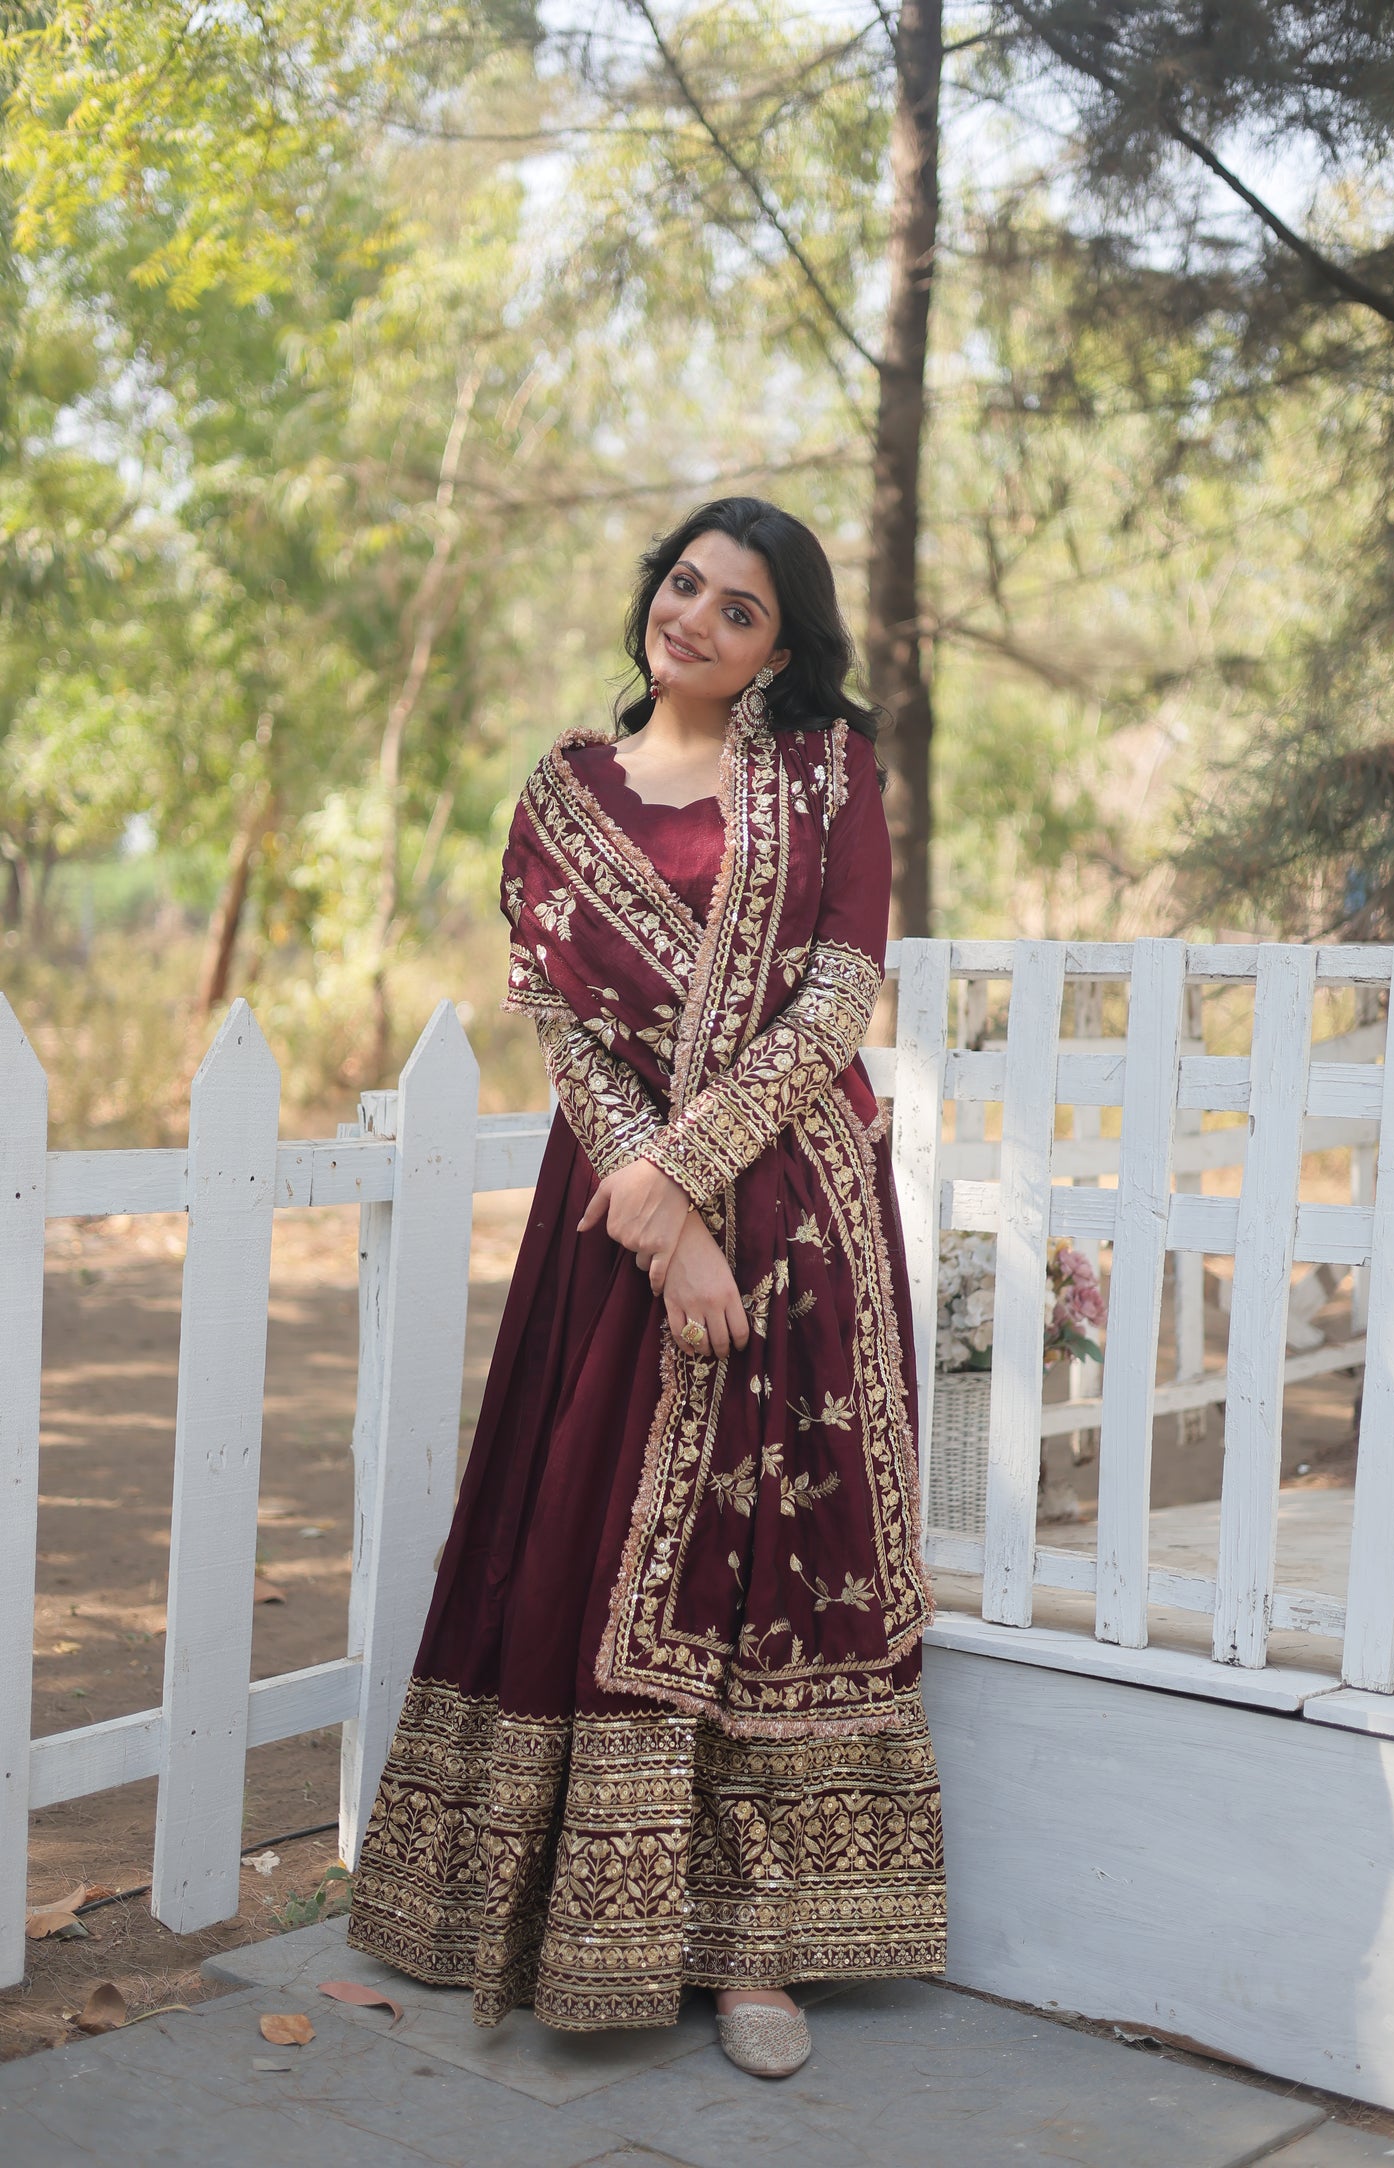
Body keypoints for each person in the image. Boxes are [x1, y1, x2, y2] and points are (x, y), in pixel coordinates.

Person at [346, 496, 948, 2079]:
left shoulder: (826, 776)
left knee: (773, 1556)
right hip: (615, 1225)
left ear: (779, 649)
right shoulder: (565, 788)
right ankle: (558, 1916)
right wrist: (661, 1216)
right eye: (683, 585)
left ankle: (762, 1952)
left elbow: (836, 986)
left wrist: (696, 1176)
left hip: (801, 1207)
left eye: (737, 608)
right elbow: (551, 1007)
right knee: (595, 1536)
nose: (691, 618)